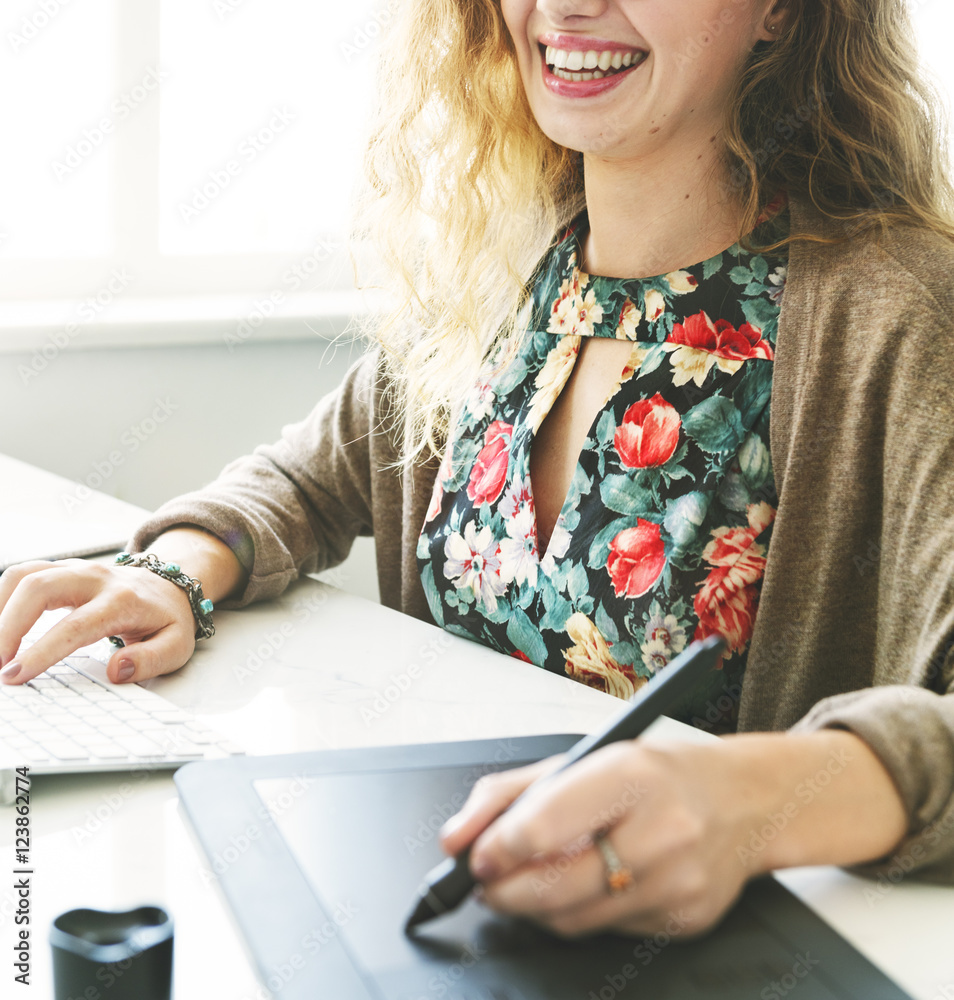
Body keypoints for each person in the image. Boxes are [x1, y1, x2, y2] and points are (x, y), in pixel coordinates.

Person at [3, 0, 954, 940]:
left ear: (781, 12)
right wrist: (174, 571)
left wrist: (753, 800)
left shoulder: (896, 311)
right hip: (449, 917)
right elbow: (302, 479)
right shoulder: (506, 266)